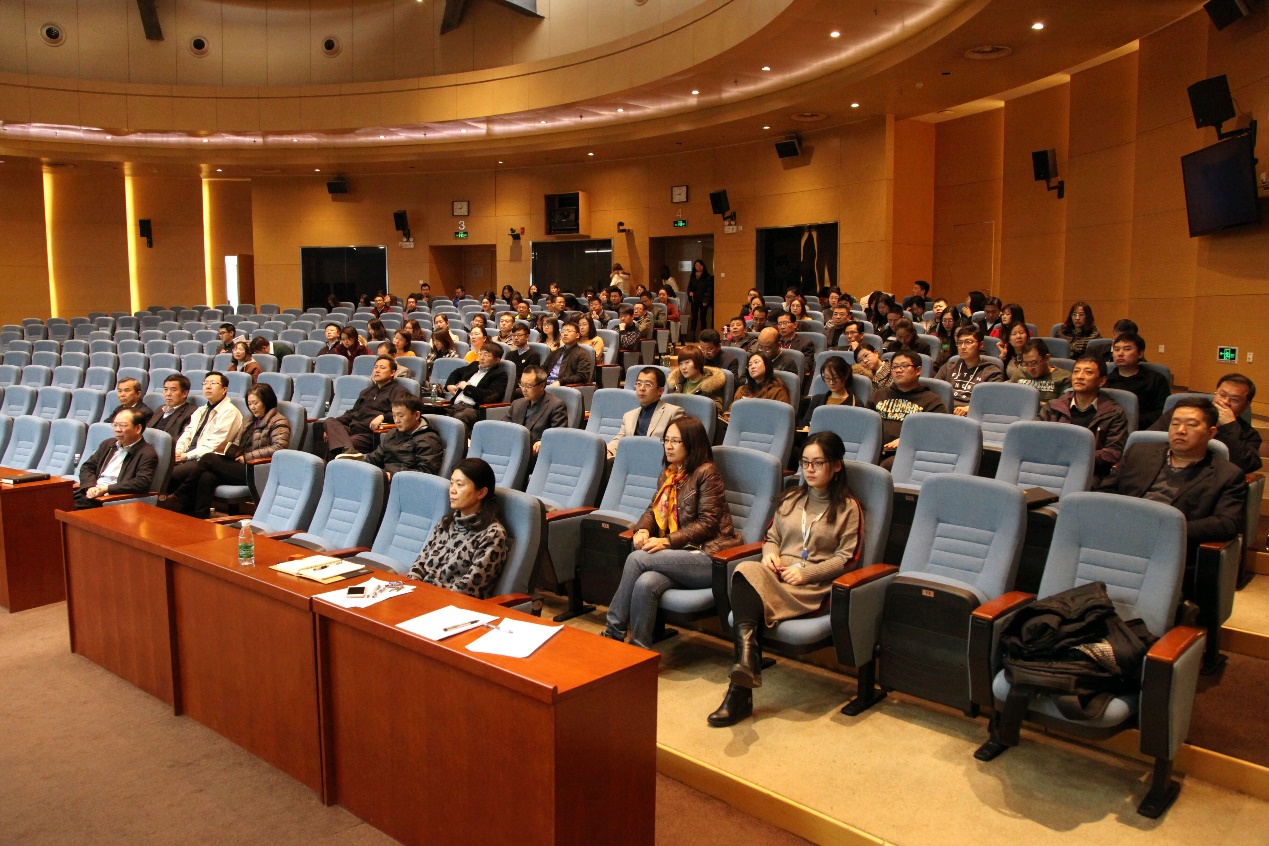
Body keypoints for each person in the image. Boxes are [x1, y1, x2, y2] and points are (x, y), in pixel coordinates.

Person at [708, 431, 864, 727]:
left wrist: (806, 573)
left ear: (836, 466)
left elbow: (847, 558)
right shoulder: (792, 498)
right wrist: (770, 554)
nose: (810, 469)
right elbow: (772, 537)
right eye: (805, 462)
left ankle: (739, 689)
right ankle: (747, 664)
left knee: (746, 583)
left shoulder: (848, 507)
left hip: (811, 586)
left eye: (818, 463)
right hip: (779, 574)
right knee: (745, 570)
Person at [1098, 398, 1247, 671]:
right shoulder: (1141, 453)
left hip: (1171, 551)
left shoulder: (1227, 475)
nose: (1180, 430)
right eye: (1175, 423)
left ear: (1211, 432)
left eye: (1191, 425)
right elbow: (1106, 491)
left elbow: (1227, 524)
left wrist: (1169, 529)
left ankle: (1136, 648)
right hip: (1121, 539)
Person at [602, 417, 740, 648]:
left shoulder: (707, 473)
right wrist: (642, 529)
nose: (669, 446)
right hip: (678, 555)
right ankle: (639, 649)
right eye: (666, 440)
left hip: (707, 556)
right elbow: (653, 508)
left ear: (692, 444)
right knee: (646, 582)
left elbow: (707, 523)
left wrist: (667, 541)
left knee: (637, 558)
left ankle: (613, 632)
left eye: (676, 441)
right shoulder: (670, 474)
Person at [407, 458, 510, 597]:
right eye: (451, 483)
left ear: (481, 493)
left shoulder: (492, 534)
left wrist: (426, 597)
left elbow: (468, 589)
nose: (452, 490)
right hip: (422, 595)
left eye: (460, 485)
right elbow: (420, 563)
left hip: (452, 603)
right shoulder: (446, 523)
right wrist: (411, 589)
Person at [187, 383, 291, 518]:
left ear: (266, 401)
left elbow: (278, 448)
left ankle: (180, 495)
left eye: (255, 403)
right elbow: (238, 441)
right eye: (249, 404)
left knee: (208, 458)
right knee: (207, 477)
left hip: (258, 469)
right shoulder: (249, 419)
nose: (252, 407)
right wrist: (229, 451)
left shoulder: (279, 421)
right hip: (240, 465)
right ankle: (200, 518)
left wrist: (247, 457)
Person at [1037, 357, 1129, 484]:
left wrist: (1078, 456)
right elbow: (1034, 436)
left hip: (1090, 473)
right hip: (1051, 466)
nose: (1079, 377)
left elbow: (1114, 452)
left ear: (1102, 381)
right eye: (1076, 371)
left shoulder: (1113, 413)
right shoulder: (1053, 406)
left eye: (1088, 372)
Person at [163, 373, 245, 513]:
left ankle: (173, 506)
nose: (208, 386)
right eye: (205, 383)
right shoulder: (201, 410)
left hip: (207, 458)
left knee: (171, 475)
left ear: (224, 389)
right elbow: (187, 433)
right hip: (189, 454)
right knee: (161, 469)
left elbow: (215, 444)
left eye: (213, 383)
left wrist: (186, 456)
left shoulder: (230, 412)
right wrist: (179, 451)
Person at [1149, 374, 1261, 473]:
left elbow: (1245, 466)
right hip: (1166, 468)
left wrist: (1230, 426)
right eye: (1222, 395)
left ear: (1246, 405)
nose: (1226, 402)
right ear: (1215, 394)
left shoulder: (1249, 435)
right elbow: (1149, 440)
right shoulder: (1184, 413)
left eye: (1234, 400)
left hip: (1211, 479)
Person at [871, 349, 948, 468]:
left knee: (889, 465)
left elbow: (937, 434)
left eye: (904, 366)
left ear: (918, 370)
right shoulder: (877, 395)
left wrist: (908, 440)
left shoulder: (932, 402)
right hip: (872, 449)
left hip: (907, 454)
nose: (898, 370)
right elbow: (865, 425)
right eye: (895, 367)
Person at [75, 408, 159, 509]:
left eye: (122, 425)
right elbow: (88, 467)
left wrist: (106, 489)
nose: (117, 429)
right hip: (91, 492)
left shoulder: (147, 453)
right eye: (115, 425)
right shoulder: (108, 444)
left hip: (111, 498)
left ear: (138, 428)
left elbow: (141, 483)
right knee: (60, 499)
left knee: (66, 508)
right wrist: (90, 486)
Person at [349, 391, 445, 479]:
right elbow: (375, 458)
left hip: (404, 484)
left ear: (416, 415)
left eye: (401, 416)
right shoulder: (392, 433)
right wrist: (357, 466)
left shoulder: (428, 440)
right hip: (383, 479)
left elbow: (425, 474)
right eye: (394, 416)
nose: (396, 420)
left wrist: (391, 476)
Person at [324, 356, 400, 458]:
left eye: (382, 368)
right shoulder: (366, 391)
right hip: (353, 429)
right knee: (329, 421)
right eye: (376, 367)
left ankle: (342, 454)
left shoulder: (398, 391)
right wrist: (332, 429)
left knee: (337, 445)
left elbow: (402, 414)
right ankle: (348, 450)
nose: (377, 370)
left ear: (392, 373)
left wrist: (383, 417)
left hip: (371, 434)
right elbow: (352, 412)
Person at [607, 367, 684, 458]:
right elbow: (619, 439)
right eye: (639, 384)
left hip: (656, 459)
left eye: (648, 384)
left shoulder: (673, 412)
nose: (642, 388)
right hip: (630, 459)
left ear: (660, 390)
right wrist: (608, 451)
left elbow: (676, 445)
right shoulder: (629, 415)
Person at [1105, 332, 1170, 428]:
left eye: (1127, 349)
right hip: (1111, 429)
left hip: (1144, 430)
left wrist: (1132, 421)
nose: (1120, 353)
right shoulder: (1105, 381)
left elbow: (1163, 413)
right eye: (1117, 349)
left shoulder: (1156, 379)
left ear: (1140, 354)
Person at [935, 325, 1005, 414]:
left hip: (973, 414)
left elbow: (993, 399)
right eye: (960, 342)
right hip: (945, 411)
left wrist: (970, 408)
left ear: (981, 345)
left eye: (968, 342)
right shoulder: (948, 367)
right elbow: (934, 391)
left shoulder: (991, 371)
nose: (963, 347)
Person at [446, 341, 509, 433]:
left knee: (458, 418)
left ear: (497, 360)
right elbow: (456, 373)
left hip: (474, 409)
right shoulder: (474, 365)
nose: (482, 358)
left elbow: (489, 397)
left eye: (486, 355)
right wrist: (450, 385)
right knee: (434, 414)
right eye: (481, 354)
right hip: (456, 405)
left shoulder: (500, 375)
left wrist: (467, 388)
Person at [508, 365, 569, 454]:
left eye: (528, 386)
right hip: (514, 450)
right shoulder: (517, 404)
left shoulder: (556, 405)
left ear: (541, 386)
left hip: (537, 454)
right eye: (521, 385)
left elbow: (559, 436)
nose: (523, 390)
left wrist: (543, 442)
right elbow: (504, 427)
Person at [667, 344, 727, 413]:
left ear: (698, 363)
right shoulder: (676, 383)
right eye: (680, 363)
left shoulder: (710, 386)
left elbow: (716, 410)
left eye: (687, 363)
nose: (683, 367)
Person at [801, 355, 858, 426]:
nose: (831, 382)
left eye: (835, 378)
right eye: (827, 378)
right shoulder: (817, 400)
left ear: (845, 376)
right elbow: (805, 424)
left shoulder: (855, 403)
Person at [1010, 338, 1071, 405]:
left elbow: (1062, 407)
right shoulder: (1020, 372)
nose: (1030, 368)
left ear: (1047, 358)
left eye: (1034, 363)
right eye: (1026, 364)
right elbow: (1009, 396)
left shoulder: (1063, 377)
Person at [541, 321, 594, 386]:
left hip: (563, 386)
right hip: (545, 385)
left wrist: (561, 382)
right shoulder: (556, 352)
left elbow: (582, 376)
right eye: (563, 331)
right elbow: (543, 369)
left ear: (577, 335)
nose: (565, 334)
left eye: (569, 331)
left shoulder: (583, 354)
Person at [147, 373, 197, 440]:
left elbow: (182, 440)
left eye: (173, 390)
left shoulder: (192, 413)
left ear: (184, 393)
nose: (168, 394)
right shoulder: (160, 409)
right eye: (166, 389)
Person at [687, 259, 713, 340]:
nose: (698, 267)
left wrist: (706, 300)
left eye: (700, 265)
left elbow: (709, 290)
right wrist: (690, 292)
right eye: (696, 265)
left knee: (703, 318)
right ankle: (693, 335)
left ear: (703, 266)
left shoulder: (707, 276)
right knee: (694, 317)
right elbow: (689, 287)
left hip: (703, 300)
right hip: (694, 300)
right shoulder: (693, 276)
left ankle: (704, 336)